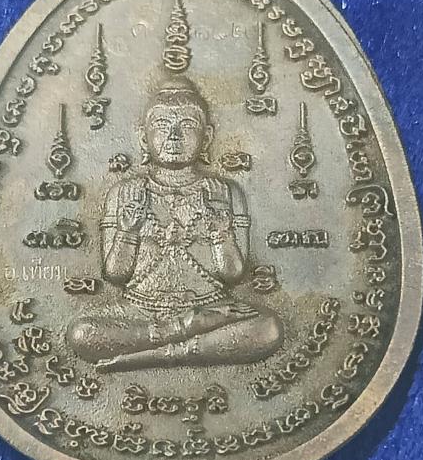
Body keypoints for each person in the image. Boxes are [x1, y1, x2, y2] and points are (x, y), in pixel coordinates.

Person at [67, 74, 283, 371]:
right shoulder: (124, 192)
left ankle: (156, 355)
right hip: (142, 309)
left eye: (187, 125)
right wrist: (128, 231)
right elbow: (116, 274)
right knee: (82, 333)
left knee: (268, 328)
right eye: (162, 125)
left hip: (211, 307)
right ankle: (182, 340)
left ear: (207, 137)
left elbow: (233, 273)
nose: (174, 136)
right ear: (143, 138)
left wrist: (221, 232)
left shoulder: (225, 193)